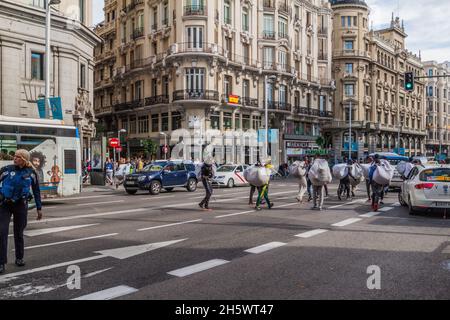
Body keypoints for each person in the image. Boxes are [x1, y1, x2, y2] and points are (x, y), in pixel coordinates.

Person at [0, 149, 43, 274]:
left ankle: (19, 258)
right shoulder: (6, 170)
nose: (15, 158)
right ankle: (1, 262)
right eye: (15, 156)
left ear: (24, 159)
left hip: (20, 205)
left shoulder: (31, 173)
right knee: (1, 232)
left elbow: (36, 191)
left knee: (18, 233)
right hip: (5, 205)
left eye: (18, 157)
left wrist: (39, 208)